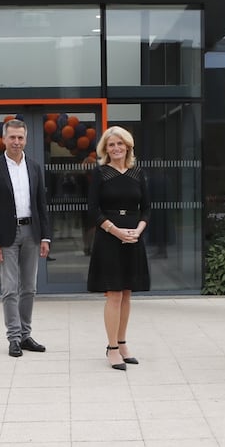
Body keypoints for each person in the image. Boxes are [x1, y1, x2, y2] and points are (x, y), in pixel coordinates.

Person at [0, 118, 52, 357]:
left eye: (20, 137)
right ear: (4, 139)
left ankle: (25, 335)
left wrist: (45, 237)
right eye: (12, 137)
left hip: (32, 233)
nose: (16, 141)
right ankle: (13, 338)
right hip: (6, 236)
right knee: (10, 288)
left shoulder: (34, 167)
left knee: (29, 288)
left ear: (26, 139)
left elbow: (41, 205)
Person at [86, 126, 150, 370]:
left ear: (128, 146)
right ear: (105, 148)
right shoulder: (100, 173)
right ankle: (112, 348)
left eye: (120, 144)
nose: (116, 148)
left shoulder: (138, 173)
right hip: (108, 238)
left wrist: (138, 231)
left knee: (126, 293)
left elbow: (147, 208)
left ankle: (122, 343)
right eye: (111, 144)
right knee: (113, 294)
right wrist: (116, 231)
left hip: (133, 238)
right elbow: (93, 210)